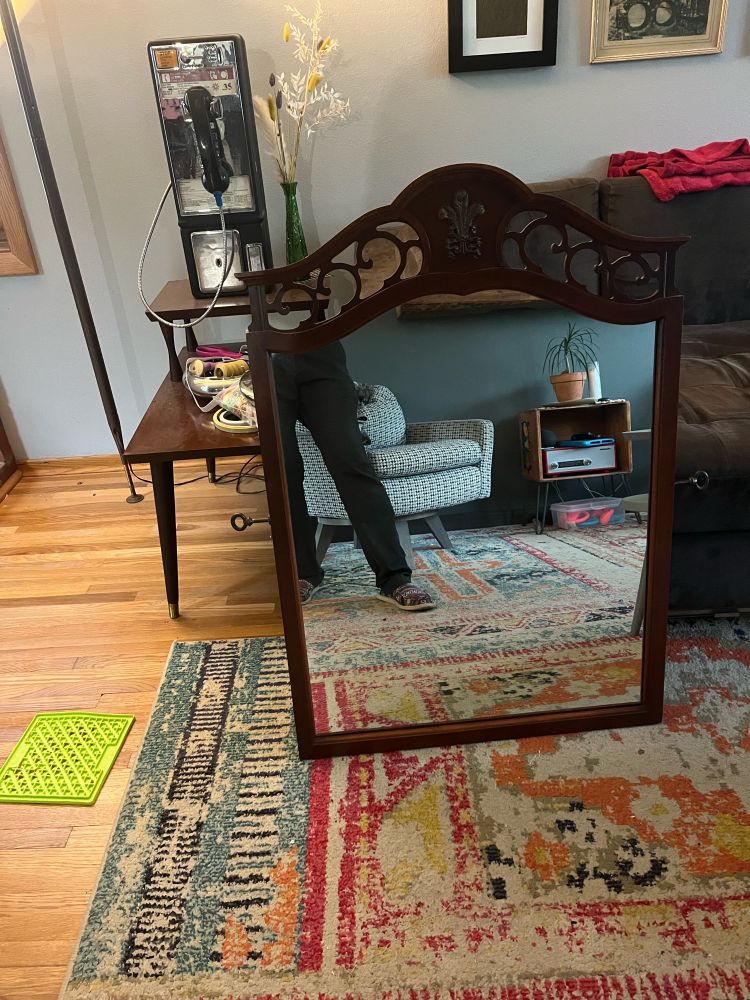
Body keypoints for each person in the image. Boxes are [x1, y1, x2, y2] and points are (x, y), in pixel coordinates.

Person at [273, 341, 434, 611]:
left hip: (320, 353)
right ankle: (302, 572)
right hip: (267, 360)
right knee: (282, 471)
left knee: (352, 465)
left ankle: (394, 577)